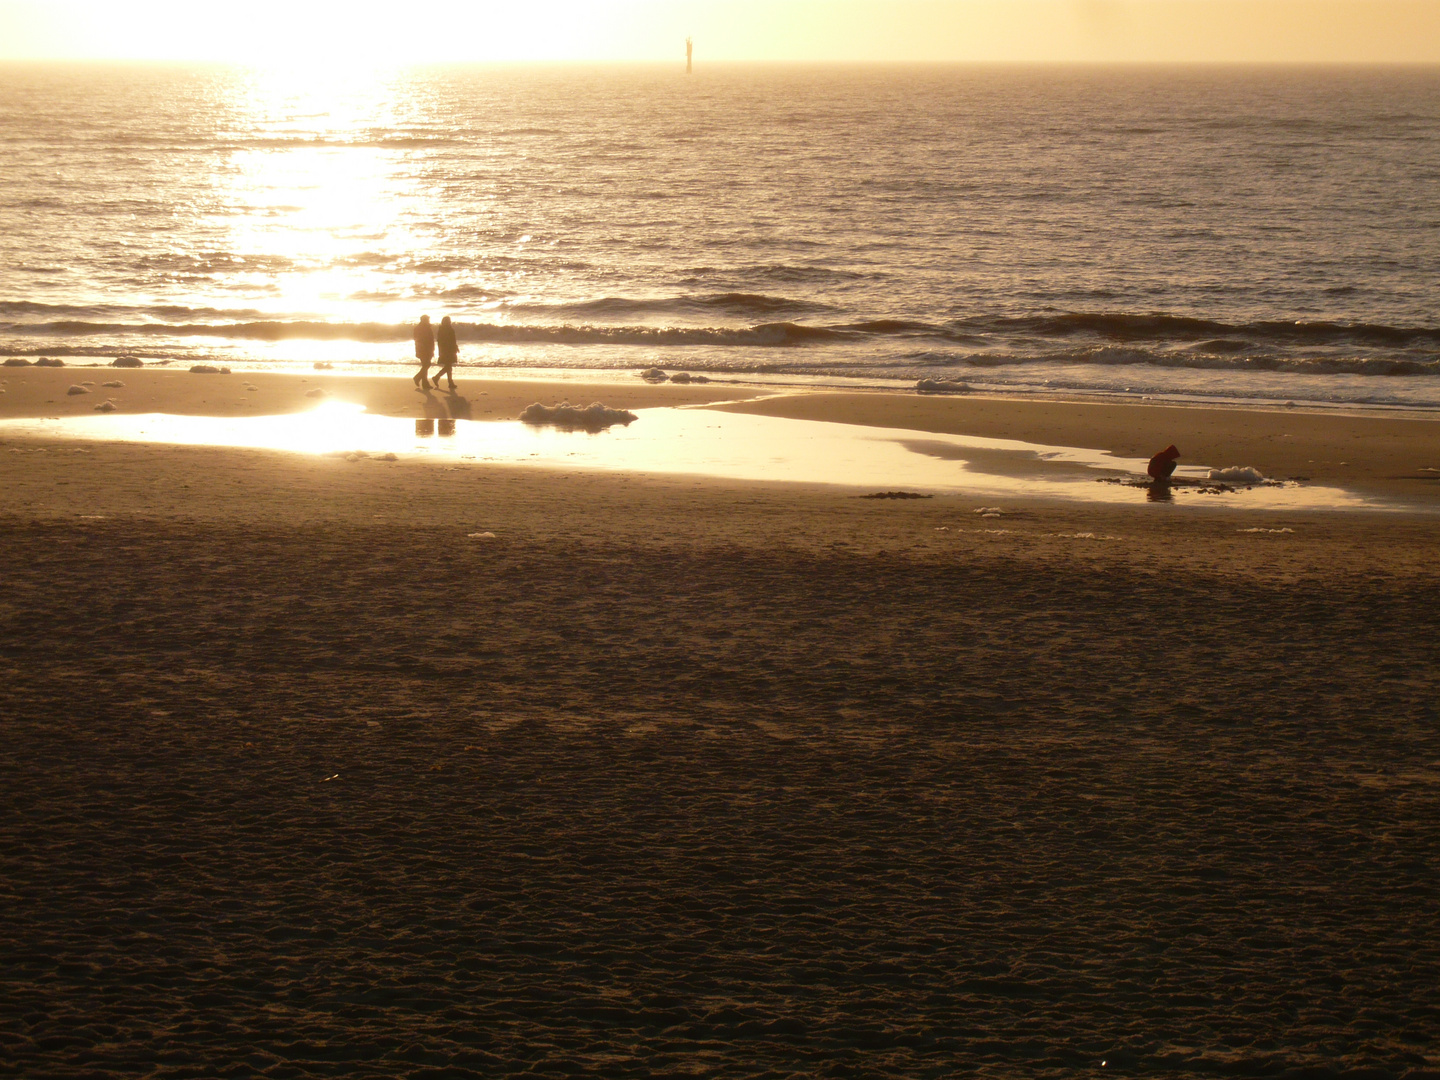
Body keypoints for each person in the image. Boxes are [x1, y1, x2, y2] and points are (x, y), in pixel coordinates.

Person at [431, 315, 458, 391]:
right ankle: (437, 378)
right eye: (448, 321)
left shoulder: (443, 329)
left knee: (448, 367)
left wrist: (456, 347)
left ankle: (449, 382)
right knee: (448, 367)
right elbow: (444, 341)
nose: (450, 322)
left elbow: (452, 340)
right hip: (448, 350)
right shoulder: (446, 329)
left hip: (447, 350)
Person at [412, 315, 434, 388]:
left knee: (425, 365)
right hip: (424, 349)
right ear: (424, 320)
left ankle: (425, 383)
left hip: (423, 349)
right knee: (426, 365)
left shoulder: (420, 328)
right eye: (428, 320)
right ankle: (417, 377)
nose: (429, 321)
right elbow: (421, 339)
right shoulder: (424, 328)